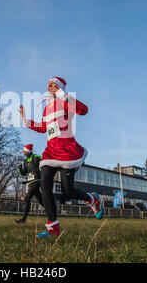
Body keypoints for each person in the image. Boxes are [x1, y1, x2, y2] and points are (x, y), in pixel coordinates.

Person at [20, 77, 103, 238]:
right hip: (50, 152)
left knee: (68, 191)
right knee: (45, 185)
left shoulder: (66, 101)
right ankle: (53, 227)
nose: (50, 86)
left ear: (61, 87)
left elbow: (83, 110)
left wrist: (63, 95)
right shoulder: (47, 107)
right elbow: (43, 128)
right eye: (48, 84)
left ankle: (92, 199)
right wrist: (26, 120)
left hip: (67, 151)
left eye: (54, 84)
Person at [15, 144, 44, 224]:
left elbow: (44, 164)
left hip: (37, 180)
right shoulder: (25, 161)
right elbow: (24, 173)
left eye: (24, 151)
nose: (23, 153)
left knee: (27, 198)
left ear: (28, 151)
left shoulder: (36, 157)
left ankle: (23, 219)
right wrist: (20, 169)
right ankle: (52, 211)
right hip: (30, 182)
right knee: (41, 201)